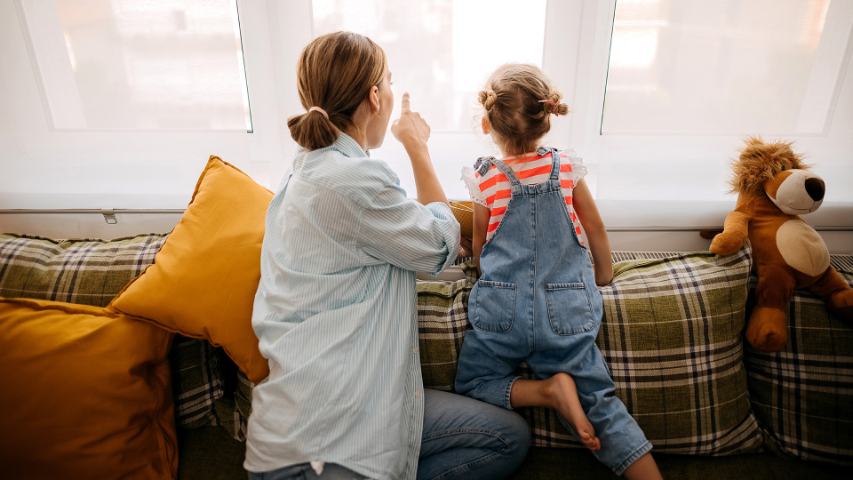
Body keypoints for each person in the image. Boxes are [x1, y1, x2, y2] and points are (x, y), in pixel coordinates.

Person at [244, 32, 530, 480]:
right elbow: (439, 243)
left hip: (358, 407)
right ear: (375, 97)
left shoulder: (308, 170)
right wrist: (417, 147)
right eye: (390, 83)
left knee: (504, 437)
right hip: (326, 436)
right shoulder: (352, 180)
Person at [455, 64, 662, 479]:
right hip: (567, 308)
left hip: (501, 310)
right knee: (601, 404)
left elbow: (481, 248)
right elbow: (595, 227)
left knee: (472, 385)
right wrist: (603, 275)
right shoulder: (566, 167)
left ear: (486, 122)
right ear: (547, 118)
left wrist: (480, 271)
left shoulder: (485, 177)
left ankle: (547, 392)